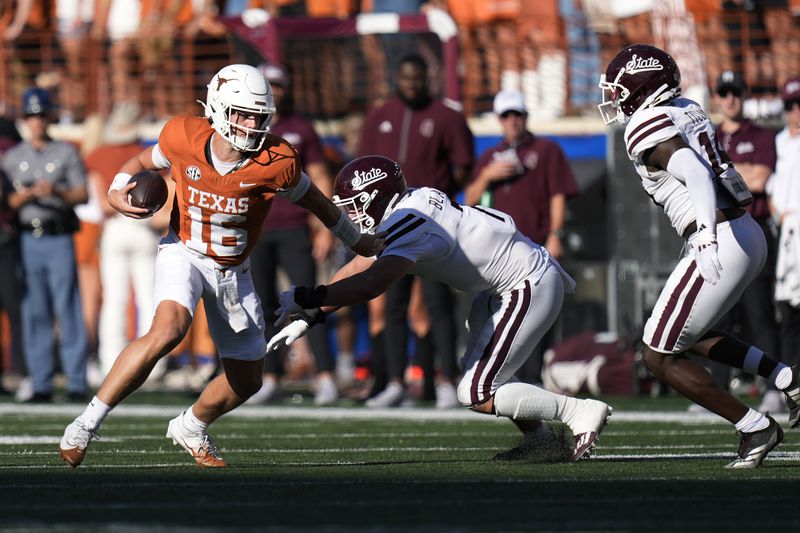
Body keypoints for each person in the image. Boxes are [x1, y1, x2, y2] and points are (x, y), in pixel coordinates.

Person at [58, 64, 382, 468]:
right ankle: (86, 424)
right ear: (217, 108)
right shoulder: (183, 135)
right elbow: (143, 158)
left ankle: (192, 424)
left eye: (258, 116)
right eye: (242, 113)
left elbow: (317, 203)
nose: (250, 125)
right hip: (184, 250)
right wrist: (114, 191)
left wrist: (359, 242)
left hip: (234, 269)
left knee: (247, 381)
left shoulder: (276, 160)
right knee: (169, 329)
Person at [268, 155, 612, 462]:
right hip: (503, 285)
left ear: (374, 198)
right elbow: (360, 265)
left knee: (476, 391)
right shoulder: (409, 207)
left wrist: (308, 297)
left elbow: (373, 284)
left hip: (526, 283)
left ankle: (578, 411)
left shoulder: (408, 225)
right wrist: (312, 315)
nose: (350, 216)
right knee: (481, 374)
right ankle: (539, 439)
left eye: (354, 206)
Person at [598, 44, 799, 468]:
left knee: (656, 355)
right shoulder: (686, 107)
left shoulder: (645, 125)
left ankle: (755, 427)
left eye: (619, 89)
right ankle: (787, 378)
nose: (615, 99)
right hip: (748, 232)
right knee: (686, 333)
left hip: (719, 235)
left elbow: (691, 169)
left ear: (640, 87)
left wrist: (705, 234)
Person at [359, 53, 474, 408]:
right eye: (405, 78)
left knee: (438, 305)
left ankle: (445, 382)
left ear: (428, 78)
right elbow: (363, 165)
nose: (411, 84)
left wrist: (438, 194)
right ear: (397, 78)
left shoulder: (447, 116)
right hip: (391, 224)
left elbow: (463, 165)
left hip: (433, 225)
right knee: (394, 302)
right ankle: (395, 381)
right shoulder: (379, 117)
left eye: (417, 78)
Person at [465, 89, 578, 385]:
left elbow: (558, 195)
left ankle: (536, 375)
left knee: (539, 311)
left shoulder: (545, 150)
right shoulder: (490, 156)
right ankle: (501, 374)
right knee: (498, 313)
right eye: (507, 115)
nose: (513, 121)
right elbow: (470, 199)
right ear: (499, 120)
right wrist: (488, 175)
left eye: (518, 114)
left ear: (526, 117)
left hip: (536, 247)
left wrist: (556, 234)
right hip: (499, 254)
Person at [247, 63, 339, 406]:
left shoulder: (300, 127)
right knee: (262, 305)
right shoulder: (245, 125)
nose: (275, 91)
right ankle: (270, 376)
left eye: (279, 85)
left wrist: (325, 227)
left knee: (309, 301)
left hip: (295, 227)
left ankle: (325, 375)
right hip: (257, 228)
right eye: (269, 85)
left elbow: (319, 175)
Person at [2, 87, 89, 403]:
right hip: (27, 235)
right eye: (31, 116)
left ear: (49, 117)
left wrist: (57, 193)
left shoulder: (65, 152)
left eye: (41, 115)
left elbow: (82, 195)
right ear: (25, 120)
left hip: (58, 234)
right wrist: (23, 196)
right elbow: (7, 202)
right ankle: (40, 380)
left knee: (68, 306)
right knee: (33, 309)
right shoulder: (13, 158)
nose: (37, 122)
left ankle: (77, 380)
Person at [710, 70, 781, 411]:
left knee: (759, 312)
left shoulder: (762, 135)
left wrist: (722, 174)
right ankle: (718, 388)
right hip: (719, 233)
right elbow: (742, 177)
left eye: (735, 90)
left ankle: (772, 387)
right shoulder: (708, 134)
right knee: (718, 315)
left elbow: (758, 180)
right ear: (717, 97)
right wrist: (739, 172)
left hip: (753, 230)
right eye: (724, 92)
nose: (730, 97)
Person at [768, 77, 800, 398]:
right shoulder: (778, 142)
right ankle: (792, 379)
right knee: (786, 308)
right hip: (788, 230)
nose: (796, 111)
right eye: (791, 105)